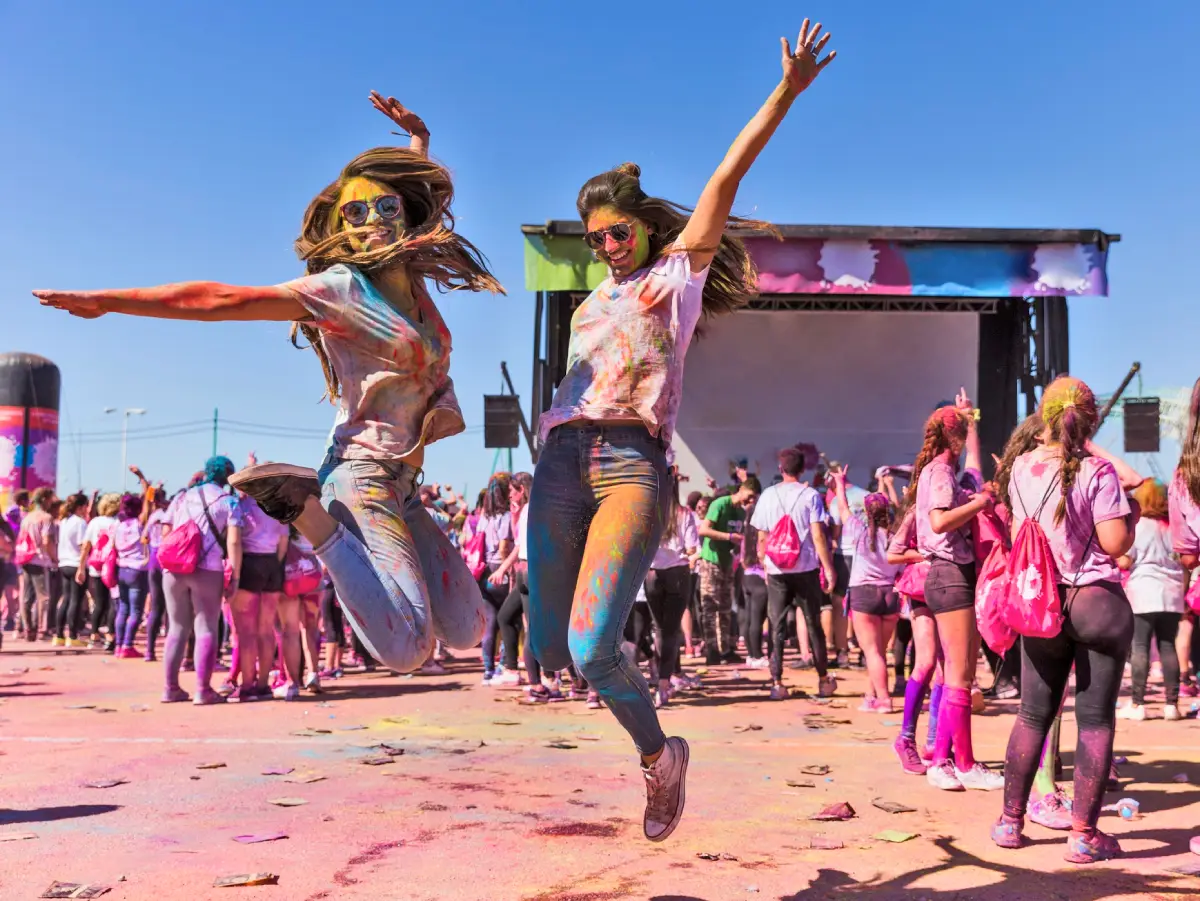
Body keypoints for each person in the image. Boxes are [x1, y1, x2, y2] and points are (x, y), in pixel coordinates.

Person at [34, 93, 491, 677]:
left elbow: (427, 198)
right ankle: (305, 513)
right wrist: (108, 302)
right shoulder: (340, 289)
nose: (373, 221)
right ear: (340, 229)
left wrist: (419, 141)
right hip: (361, 474)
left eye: (385, 206)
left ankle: (314, 511)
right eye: (355, 214)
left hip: (403, 478)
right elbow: (219, 301)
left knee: (469, 627)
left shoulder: (415, 283)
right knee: (407, 650)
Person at [525, 20, 836, 843]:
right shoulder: (593, 301)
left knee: (594, 648)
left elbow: (725, 178)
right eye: (593, 240)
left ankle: (661, 756)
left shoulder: (673, 278)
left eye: (615, 234)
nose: (605, 249)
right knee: (553, 653)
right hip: (560, 461)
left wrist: (785, 92)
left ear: (647, 231)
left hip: (630, 463)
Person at [991, 377, 1138, 864]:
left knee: (1033, 714)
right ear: (1089, 419)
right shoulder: (1097, 471)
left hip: (1043, 602)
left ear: (1044, 418)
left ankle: (1011, 822)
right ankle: (1082, 834)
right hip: (1096, 601)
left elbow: (1020, 534)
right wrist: (1130, 514)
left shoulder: (1021, 471)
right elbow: (1115, 545)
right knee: (1094, 721)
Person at [909, 389, 1003, 792]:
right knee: (961, 674)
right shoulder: (942, 471)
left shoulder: (935, 469)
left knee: (955, 675)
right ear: (956, 438)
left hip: (946, 575)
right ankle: (963, 763)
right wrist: (981, 502)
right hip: (949, 573)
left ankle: (944, 761)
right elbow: (939, 521)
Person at [752, 446, 837, 700]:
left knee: (776, 625)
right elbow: (818, 535)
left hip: (777, 570)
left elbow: (761, 537)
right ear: (802, 469)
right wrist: (828, 567)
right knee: (813, 624)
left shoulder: (767, 495)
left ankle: (777, 682)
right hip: (806, 568)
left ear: (781, 469)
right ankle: (823, 679)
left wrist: (765, 564)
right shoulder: (810, 495)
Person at [160, 457, 245, 705]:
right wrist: (235, 575)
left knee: (176, 628)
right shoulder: (229, 502)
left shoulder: (182, 497)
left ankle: (170, 688)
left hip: (174, 568)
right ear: (228, 476)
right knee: (206, 626)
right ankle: (202, 690)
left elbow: (166, 532)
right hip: (208, 568)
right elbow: (234, 541)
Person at [832, 470, 900, 711]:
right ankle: (871, 694)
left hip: (864, 595)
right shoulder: (895, 535)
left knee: (872, 652)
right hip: (891, 595)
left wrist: (839, 483)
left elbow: (842, 508)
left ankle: (883, 699)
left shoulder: (859, 531)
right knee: (879, 652)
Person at [1117, 479, 1185, 721]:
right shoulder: (1174, 526)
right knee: (1168, 646)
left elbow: (1125, 560)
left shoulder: (1139, 526)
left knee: (1140, 647)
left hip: (1143, 592)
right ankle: (1172, 705)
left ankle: (1138, 704)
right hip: (1172, 594)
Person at [645, 468, 700, 708]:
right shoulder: (683, 514)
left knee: (659, 630)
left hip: (652, 575)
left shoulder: (647, 513)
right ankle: (664, 683)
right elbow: (692, 549)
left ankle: (660, 680)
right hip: (677, 573)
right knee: (670, 631)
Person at [229, 487, 290, 701]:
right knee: (266, 630)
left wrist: (236, 575)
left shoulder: (242, 504)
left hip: (249, 562)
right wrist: (275, 564)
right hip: (272, 563)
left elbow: (234, 540)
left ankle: (247, 686)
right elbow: (283, 543)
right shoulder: (278, 507)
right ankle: (263, 684)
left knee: (246, 633)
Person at [698, 478, 759, 665]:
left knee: (725, 608)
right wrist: (729, 536)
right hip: (711, 561)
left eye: (753, 500)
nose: (749, 502)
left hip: (727, 562)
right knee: (710, 607)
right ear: (741, 490)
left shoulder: (741, 512)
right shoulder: (720, 504)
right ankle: (711, 650)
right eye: (748, 497)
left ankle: (725, 649)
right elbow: (703, 530)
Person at [112, 488, 155, 657]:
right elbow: (148, 507)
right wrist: (146, 484)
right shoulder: (139, 524)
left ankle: (118, 645)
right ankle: (127, 645)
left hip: (122, 567)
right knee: (136, 610)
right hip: (138, 569)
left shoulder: (119, 526)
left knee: (123, 609)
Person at [16, 487, 58, 641]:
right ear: (45, 499)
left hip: (26, 559)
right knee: (43, 597)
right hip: (40, 560)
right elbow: (47, 541)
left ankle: (28, 628)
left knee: (26, 597)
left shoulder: (27, 518)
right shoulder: (46, 518)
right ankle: (42, 629)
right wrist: (54, 558)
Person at [78, 493, 119, 649]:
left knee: (99, 603)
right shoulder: (118, 522)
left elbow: (86, 546)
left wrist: (81, 567)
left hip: (96, 567)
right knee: (113, 604)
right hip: (112, 567)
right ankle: (110, 635)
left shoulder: (95, 522)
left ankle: (94, 635)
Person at [54, 492, 90, 647]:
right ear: (81, 507)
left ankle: (59, 634)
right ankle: (73, 636)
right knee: (76, 599)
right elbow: (83, 546)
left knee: (66, 599)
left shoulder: (64, 521)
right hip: (76, 563)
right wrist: (82, 567)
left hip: (64, 562)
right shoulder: (80, 523)